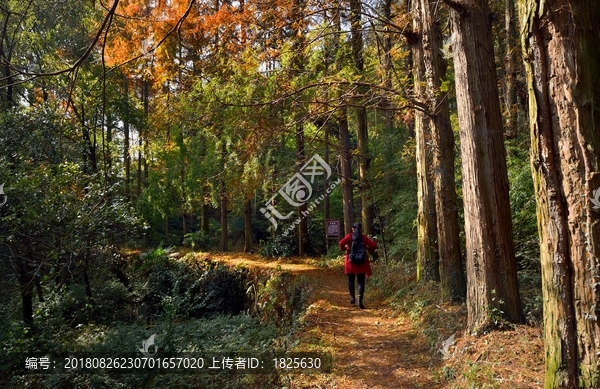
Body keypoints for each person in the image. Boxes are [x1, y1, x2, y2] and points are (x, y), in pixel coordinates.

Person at [338, 222, 377, 309]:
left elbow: (341, 243)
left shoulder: (349, 236)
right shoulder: (364, 238)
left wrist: (345, 248)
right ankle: (360, 302)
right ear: (361, 229)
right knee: (361, 282)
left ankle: (352, 298)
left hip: (350, 262)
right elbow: (374, 245)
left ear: (352, 229)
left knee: (350, 280)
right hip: (362, 262)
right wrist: (367, 248)